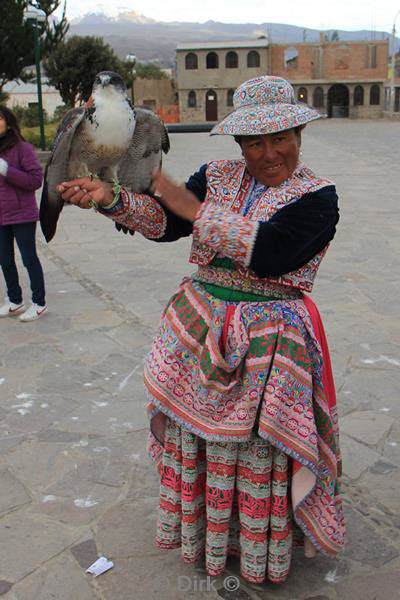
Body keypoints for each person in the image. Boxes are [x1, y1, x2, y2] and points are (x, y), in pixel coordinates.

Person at [57, 76, 346, 585]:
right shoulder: (217, 176)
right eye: (254, 141)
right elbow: (166, 225)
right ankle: (212, 537)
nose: (269, 152)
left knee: (260, 448)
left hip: (270, 345)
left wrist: (185, 203)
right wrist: (112, 199)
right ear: (239, 143)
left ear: (300, 132)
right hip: (200, 332)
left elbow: (274, 251)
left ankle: (261, 548)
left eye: (281, 137)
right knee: (200, 444)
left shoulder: (319, 197)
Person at [0, 105, 47, 321]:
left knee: (29, 259)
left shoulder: (22, 148)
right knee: (5, 260)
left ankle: (39, 303)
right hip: (1, 216)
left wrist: (7, 170)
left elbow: (35, 181)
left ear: (8, 123)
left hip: (22, 215)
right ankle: (14, 300)